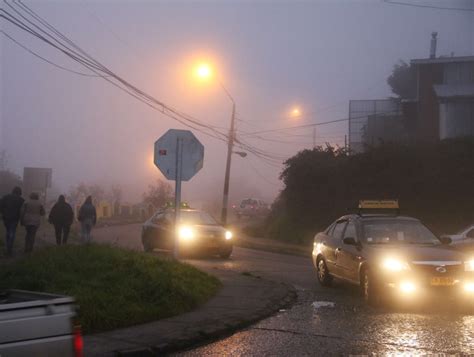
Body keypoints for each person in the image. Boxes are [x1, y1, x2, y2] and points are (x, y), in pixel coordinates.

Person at [0, 186, 25, 257]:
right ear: (20, 192)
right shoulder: (21, 200)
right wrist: (21, 219)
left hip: (6, 217)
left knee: (8, 231)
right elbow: (23, 210)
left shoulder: (5, 197)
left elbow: (0, 206)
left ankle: (8, 247)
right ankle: (9, 249)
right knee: (12, 232)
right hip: (14, 218)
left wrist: (2, 213)